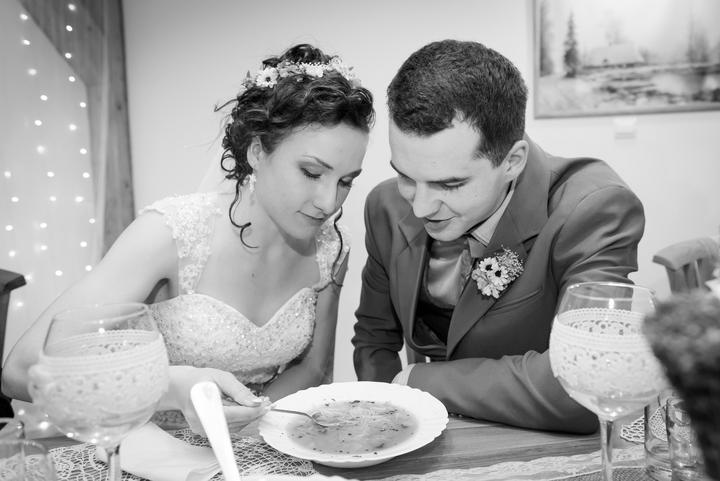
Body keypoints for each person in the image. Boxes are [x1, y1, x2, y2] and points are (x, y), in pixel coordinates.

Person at [3, 43, 374, 433]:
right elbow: (21, 370)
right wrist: (169, 388)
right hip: (152, 443)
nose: (329, 202)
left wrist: (246, 422)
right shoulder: (171, 234)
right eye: (312, 173)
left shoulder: (332, 246)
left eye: (346, 181)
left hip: (256, 441)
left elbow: (313, 367)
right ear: (256, 151)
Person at [352, 40, 644, 434]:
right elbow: (374, 337)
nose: (420, 208)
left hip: (538, 440)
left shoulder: (592, 209)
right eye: (405, 175)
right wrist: (387, 417)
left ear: (512, 161)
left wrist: (418, 382)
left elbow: (587, 381)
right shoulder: (385, 206)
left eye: (450, 184)